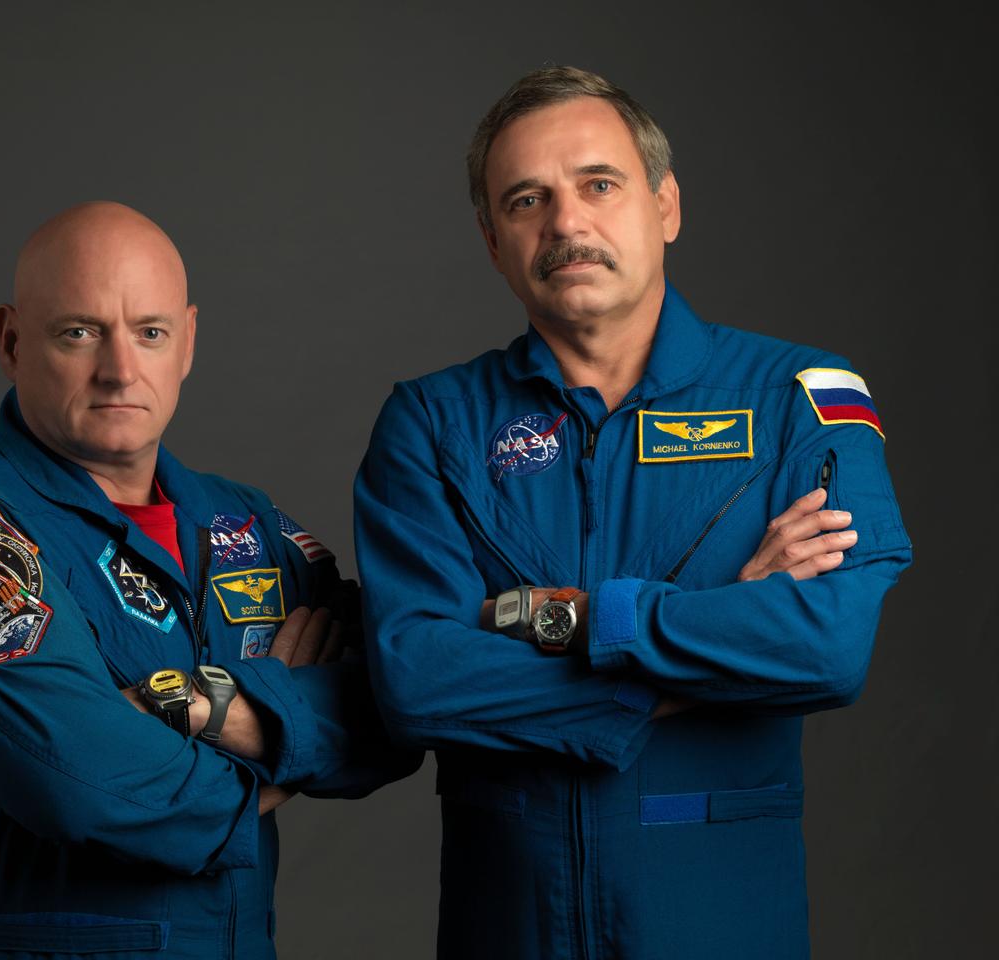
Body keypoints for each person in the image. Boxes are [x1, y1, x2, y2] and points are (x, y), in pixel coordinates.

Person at [354, 66, 911, 959]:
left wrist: (580, 621)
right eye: (527, 199)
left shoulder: (799, 399)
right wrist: (719, 624)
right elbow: (418, 681)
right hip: (511, 931)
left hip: (718, 926)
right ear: (494, 243)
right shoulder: (433, 423)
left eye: (598, 185)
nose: (566, 222)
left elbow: (826, 647)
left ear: (666, 207)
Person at [0, 201, 417, 960]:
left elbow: (399, 706)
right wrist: (284, 739)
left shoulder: (246, 524)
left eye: (149, 332)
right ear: (12, 340)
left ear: (187, 343)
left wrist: (206, 712)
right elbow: (88, 788)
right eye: (80, 332)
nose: (120, 369)